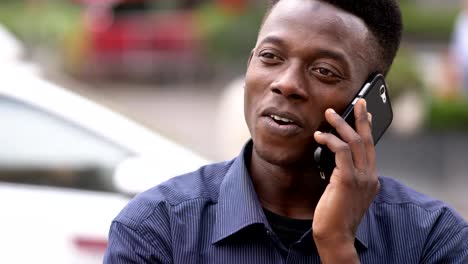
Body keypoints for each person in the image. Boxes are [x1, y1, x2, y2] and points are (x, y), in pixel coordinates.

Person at [104, 0, 468, 263]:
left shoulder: (431, 240)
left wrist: (338, 248)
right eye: (271, 57)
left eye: (324, 71)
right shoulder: (157, 228)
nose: (286, 83)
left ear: (369, 102)